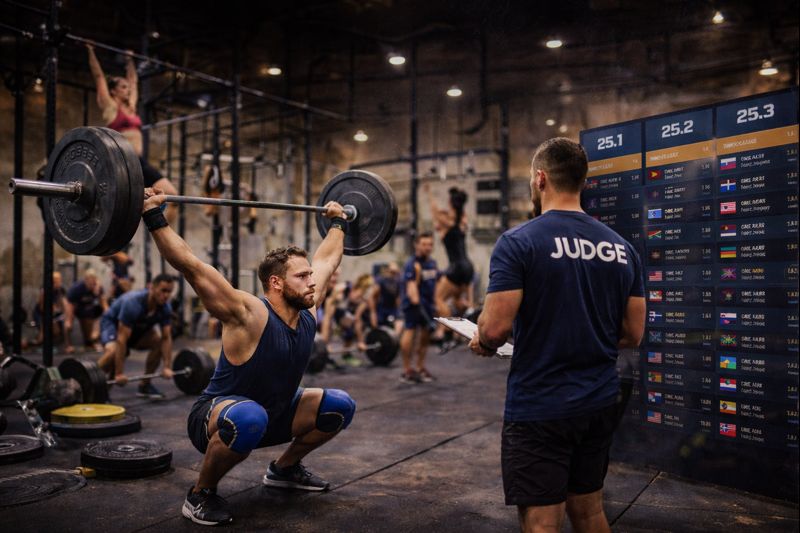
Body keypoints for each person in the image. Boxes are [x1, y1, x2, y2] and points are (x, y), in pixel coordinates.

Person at [139, 186, 355, 526]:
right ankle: (200, 494)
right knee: (249, 417)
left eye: (309, 275)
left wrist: (339, 222)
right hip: (219, 417)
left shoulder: (308, 311)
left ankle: (283, 470)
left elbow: (327, 260)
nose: (312, 281)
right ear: (276, 283)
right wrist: (153, 214)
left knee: (340, 405)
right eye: (302, 276)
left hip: (274, 414)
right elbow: (193, 267)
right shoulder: (249, 314)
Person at [469, 138, 646, 533]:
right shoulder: (622, 249)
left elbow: (494, 329)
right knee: (589, 511)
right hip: (599, 399)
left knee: (541, 522)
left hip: (541, 403)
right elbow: (633, 334)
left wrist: (483, 340)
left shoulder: (519, 242)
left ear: (540, 178)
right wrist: (585, 336)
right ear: (582, 182)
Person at [86, 43, 178, 222]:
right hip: (122, 162)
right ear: (113, 91)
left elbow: (134, 81)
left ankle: (161, 232)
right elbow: (98, 77)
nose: (128, 90)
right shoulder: (111, 107)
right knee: (121, 207)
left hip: (139, 163)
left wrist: (129, 60)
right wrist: (90, 51)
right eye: (123, 87)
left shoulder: (132, 108)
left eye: (127, 87)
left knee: (172, 197)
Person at [96, 273, 176, 400]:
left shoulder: (165, 308)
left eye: (169, 292)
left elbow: (166, 338)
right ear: (152, 288)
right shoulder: (133, 303)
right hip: (112, 325)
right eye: (163, 290)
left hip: (136, 329)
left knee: (158, 343)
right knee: (113, 352)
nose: (166, 295)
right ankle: (91, 383)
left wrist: (167, 367)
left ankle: (145, 385)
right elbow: (121, 340)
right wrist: (119, 373)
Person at [423, 183, 475, 340]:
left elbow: (434, 211)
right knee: (458, 300)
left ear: (451, 204)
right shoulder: (462, 221)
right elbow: (458, 210)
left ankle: (446, 331)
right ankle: (463, 331)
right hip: (468, 267)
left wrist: (429, 193)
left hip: (456, 267)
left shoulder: (447, 222)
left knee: (438, 298)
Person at [399, 232, 438, 384]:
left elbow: (435, 285)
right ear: (416, 245)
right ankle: (407, 370)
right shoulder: (412, 263)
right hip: (413, 305)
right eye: (424, 244)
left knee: (425, 337)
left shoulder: (432, 263)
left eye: (430, 244)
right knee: (410, 332)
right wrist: (417, 304)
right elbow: (411, 288)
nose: (427, 247)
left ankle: (420, 367)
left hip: (428, 305)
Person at [320, 273, 374, 367]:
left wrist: (361, 342)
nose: (359, 298)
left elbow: (357, 320)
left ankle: (346, 355)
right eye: (359, 294)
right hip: (322, 307)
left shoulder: (363, 299)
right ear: (357, 288)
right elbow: (327, 317)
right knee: (327, 327)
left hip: (338, 310)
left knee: (350, 329)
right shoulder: (341, 289)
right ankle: (324, 357)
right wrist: (324, 344)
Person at [65, 269, 108, 353]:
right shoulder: (77, 288)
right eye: (90, 282)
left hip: (90, 308)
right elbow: (70, 305)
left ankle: (91, 341)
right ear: (86, 280)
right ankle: (68, 345)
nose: (92, 284)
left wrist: (108, 314)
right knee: (67, 325)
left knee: (99, 319)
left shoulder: (98, 287)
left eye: (93, 282)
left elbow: (104, 303)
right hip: (75, 306)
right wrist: (69, 320)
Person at [31, 272, 69, 348]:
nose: (58, 283)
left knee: (64, 326)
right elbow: (42, 307)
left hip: (55, 313)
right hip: (41, 314)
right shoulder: (45, 289)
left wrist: (66, 316)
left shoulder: (61, 290)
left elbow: (65, 304)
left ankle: (67, 345)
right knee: (47, 329)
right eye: (55, 281)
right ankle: (39, 341)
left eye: (59, 280)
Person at [368, 262, 403, 336]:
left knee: (399, 322)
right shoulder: (381, 280)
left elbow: (398, 298)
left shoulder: (398, 281)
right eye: (392, 272)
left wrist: (399, 311)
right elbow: (372, 297)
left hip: (392, 308)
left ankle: (395, 339)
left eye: (395, 272)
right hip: (381, 308)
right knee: (377, 329)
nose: (394, 274)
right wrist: (373, 313)